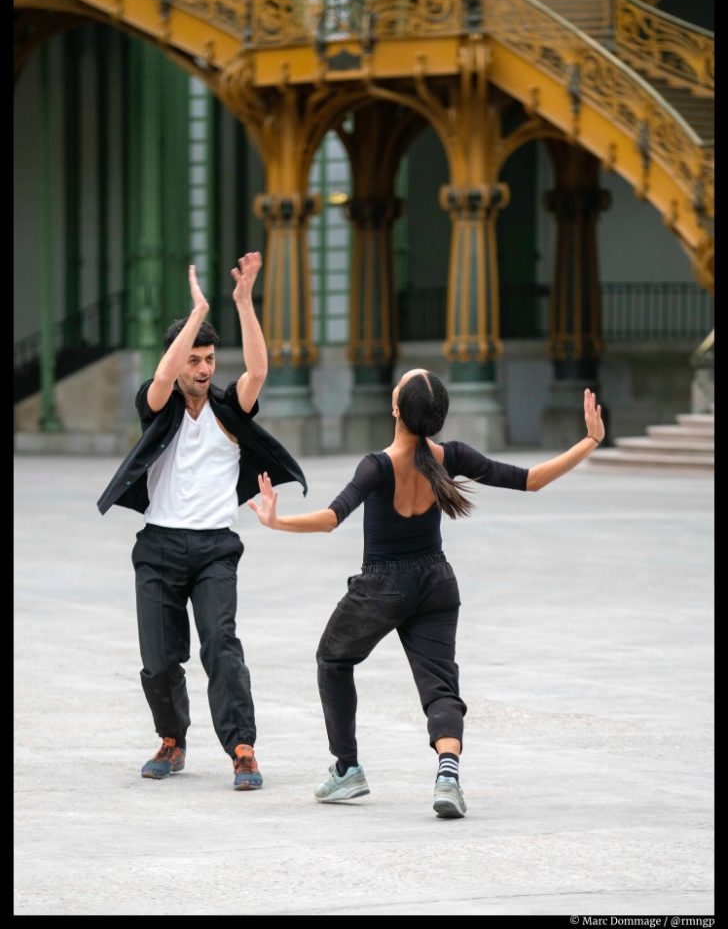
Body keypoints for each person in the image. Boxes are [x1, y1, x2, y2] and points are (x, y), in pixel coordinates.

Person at [247, 368, 605, 818]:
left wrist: (277, 522)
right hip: (436, 582)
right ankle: (448, 776)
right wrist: (589, 442)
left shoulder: (376, 466)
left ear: (395, 408)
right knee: (440, 689)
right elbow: (529, 479)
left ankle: (348, 770)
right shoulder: (450, 455)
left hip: (381, 586)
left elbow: (332, 517)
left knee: (332, 659)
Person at [97, 255, 307, 790]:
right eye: (195, 358)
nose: (204, 368)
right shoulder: (158, 405)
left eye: (210, 358)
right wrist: (196, 312)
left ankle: (242, 747)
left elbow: (257, 370)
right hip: (159, 547)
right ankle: (172, 739)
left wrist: (242, 302)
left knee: (222, 645)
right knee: (159, 658)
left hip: (215, 548)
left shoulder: (230, 411)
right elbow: (163, 376)